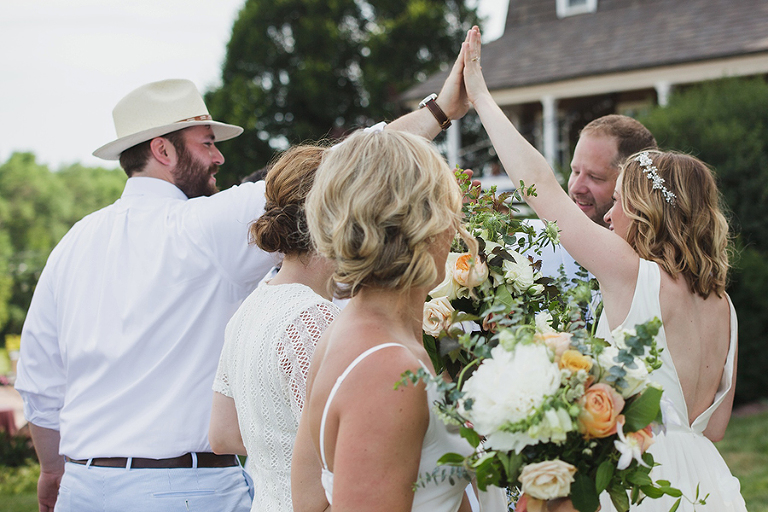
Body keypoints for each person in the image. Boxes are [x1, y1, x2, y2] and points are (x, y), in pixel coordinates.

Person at [463, 26, 747, 512]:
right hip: (706, 481)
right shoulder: (724, 305)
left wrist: (481, 98)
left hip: (641, 474)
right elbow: (715, 427)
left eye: (619, 202)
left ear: (648, 212)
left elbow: (541, 188)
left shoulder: (633, 274)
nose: (610, 216)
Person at [14, 78, 281, 512]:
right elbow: (334, 170)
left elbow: (40, 382)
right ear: (163, 150)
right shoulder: (205, 227)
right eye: (207, 143)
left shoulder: (73, 241)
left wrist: (52, 471)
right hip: (185, 490)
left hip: (82, 488)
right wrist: (411, 122)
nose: (219, 157)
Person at [291, 125, 507, 512]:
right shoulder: (387, 367)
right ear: (423, 224)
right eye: (447, 210)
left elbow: (309, 500)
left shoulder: (348, 333)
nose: (455, 228)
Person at [208, 145, 340, 512]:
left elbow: (222, 434)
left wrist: (278, 450)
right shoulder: (314, 319)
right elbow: (344, 465)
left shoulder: (249, 309)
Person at [532, 114, 657, 279]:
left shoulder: (650, 269)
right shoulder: (533, 242)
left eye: (595, 177)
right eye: (575, 171)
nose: (576, 188)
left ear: (634, 186)